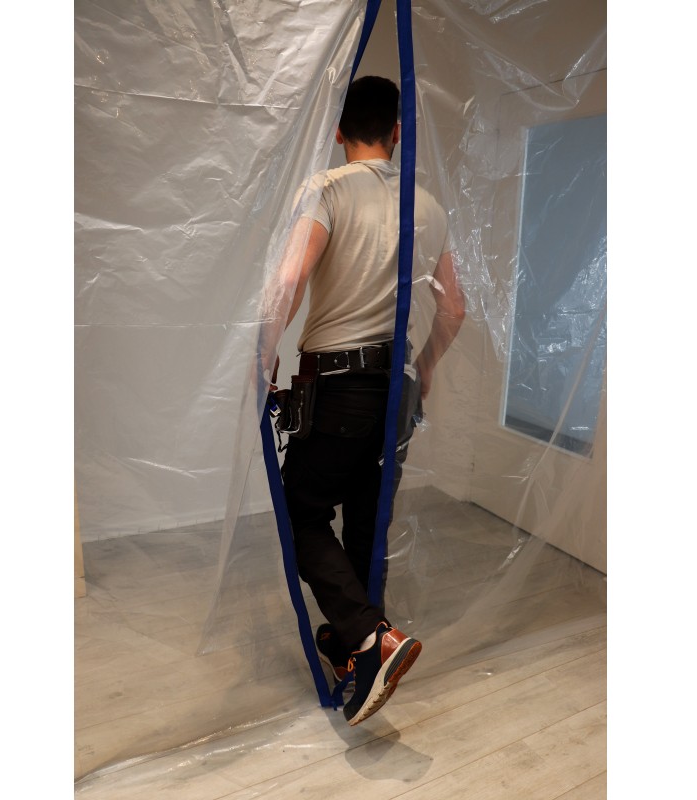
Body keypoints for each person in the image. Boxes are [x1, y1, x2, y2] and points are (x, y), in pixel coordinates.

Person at [266, 76, 465, 726]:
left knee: (299, 514)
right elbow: (453, 309)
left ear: (338, 130)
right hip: (395, 392)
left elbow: (291, 278)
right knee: (365, 527)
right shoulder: (427, 205)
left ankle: (369, 640)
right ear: (398, 133)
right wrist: (424, 371)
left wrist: (262, 360)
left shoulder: (326, 188)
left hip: (339, 389)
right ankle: (357, 651)